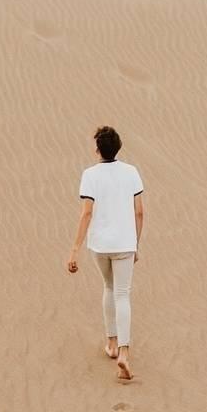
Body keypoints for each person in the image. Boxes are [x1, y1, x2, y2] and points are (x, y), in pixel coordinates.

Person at [66, 125, 144, 380]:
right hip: (125, 243)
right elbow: (139, 212)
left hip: (100, 244)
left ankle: (111, 343)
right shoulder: (131, 172)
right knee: (122, 293)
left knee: (109, 288)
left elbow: (86, 213)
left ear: (97, 149)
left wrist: (75, 250)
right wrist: (136, 244)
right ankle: (124, 352)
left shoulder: (90, 175)